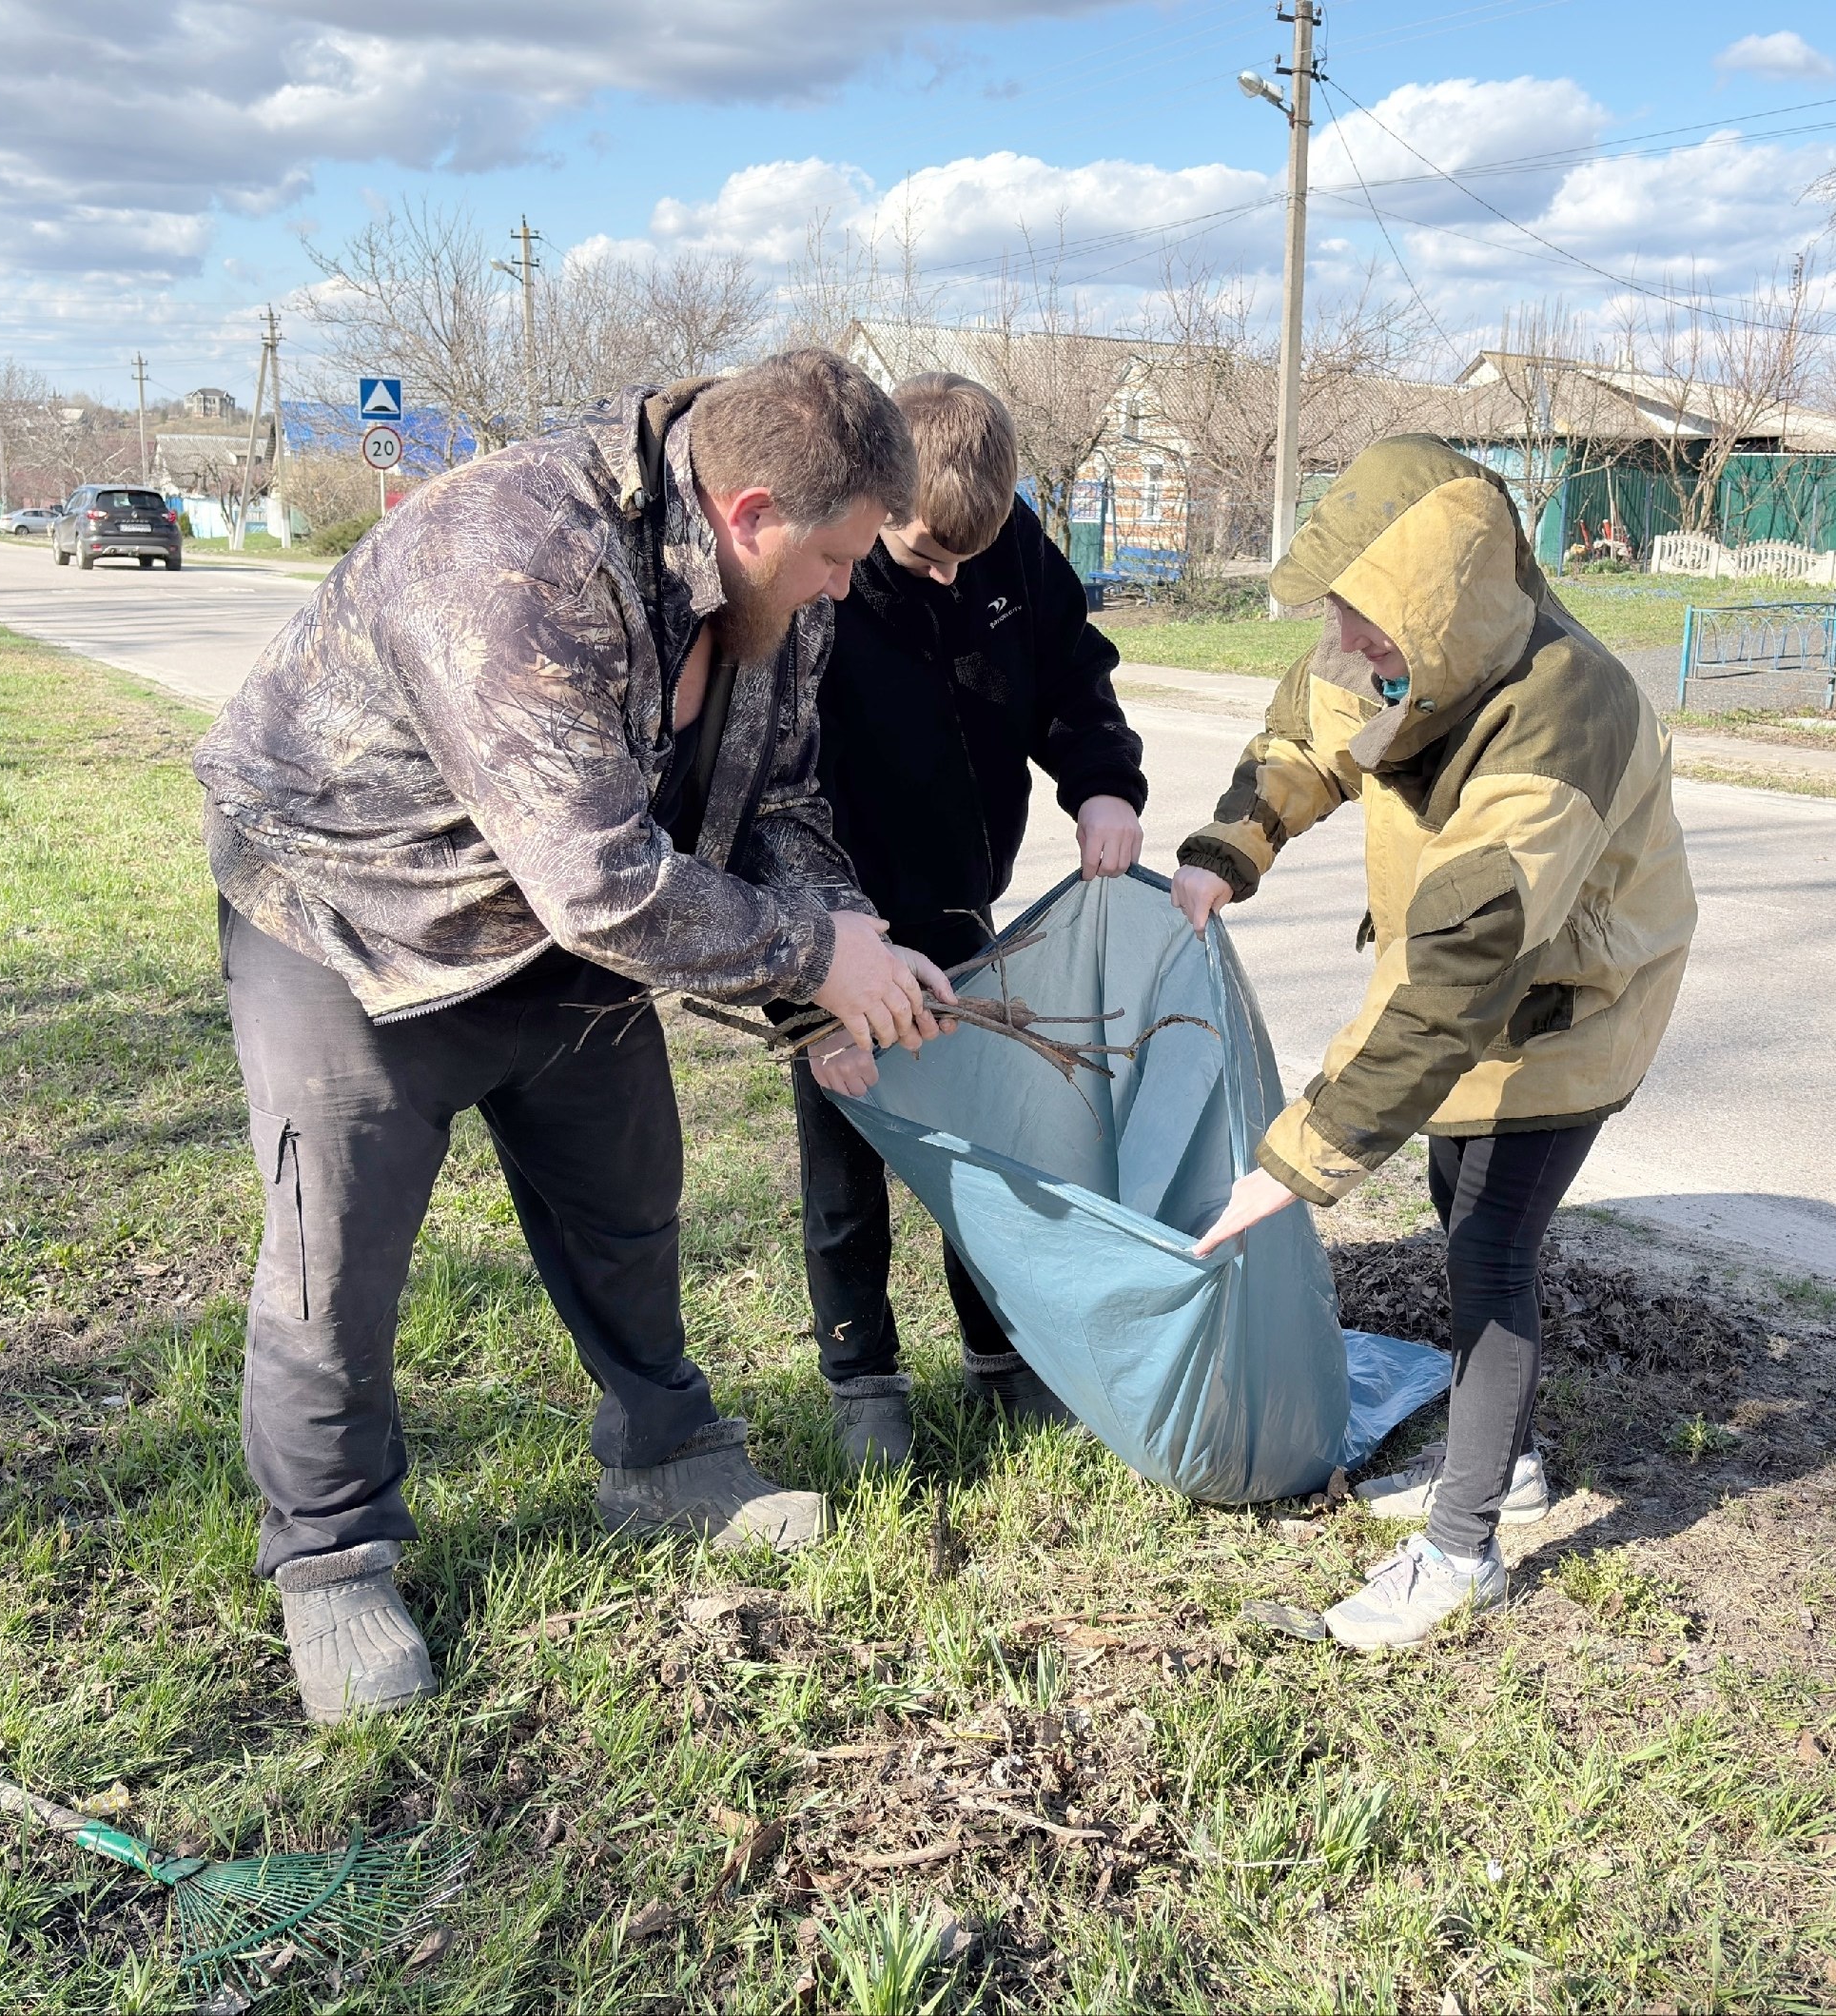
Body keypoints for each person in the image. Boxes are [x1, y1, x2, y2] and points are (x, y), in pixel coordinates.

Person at [192, 351, 957, 1722]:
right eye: (839, 556)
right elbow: (602, 876)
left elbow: (781, 798)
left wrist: (834, 965)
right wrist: (804, 955)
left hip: (555, 919)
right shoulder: (515, 556)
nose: (851, 584)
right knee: (337, 1245)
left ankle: (663, 1455)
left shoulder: (786, 594)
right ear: (752, 512)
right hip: (350, 905)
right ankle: (333, 1556)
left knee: (628, 1186)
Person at [1173, 436, 1695, 1650]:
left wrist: (1298, 1158)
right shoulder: (1401, 648)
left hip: (1572, 1007)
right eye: (1342, 626)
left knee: (1489, 1250)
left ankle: (1463, 1550)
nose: (1351, 656)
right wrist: (1230, 848)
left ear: (1442, 608)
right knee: (1465, 1211)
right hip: (1483, 999)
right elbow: (1312, 730)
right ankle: (1501, 1464)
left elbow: (1459, 965)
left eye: (1372, 632)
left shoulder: (1566, 711)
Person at [790, 373, 1147, 1470]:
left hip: (957, 906)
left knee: (986, 1146)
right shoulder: (821, 582)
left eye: (967, 556)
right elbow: (769, 791)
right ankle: (864, 1379)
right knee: (846, 1161)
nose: (949, 573)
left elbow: (1071, 675)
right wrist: (809, 997)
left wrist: (1102, 783)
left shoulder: (1005, 547)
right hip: (835, 918)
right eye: (925, 555)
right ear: (879, 500)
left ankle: (1004, 1351)